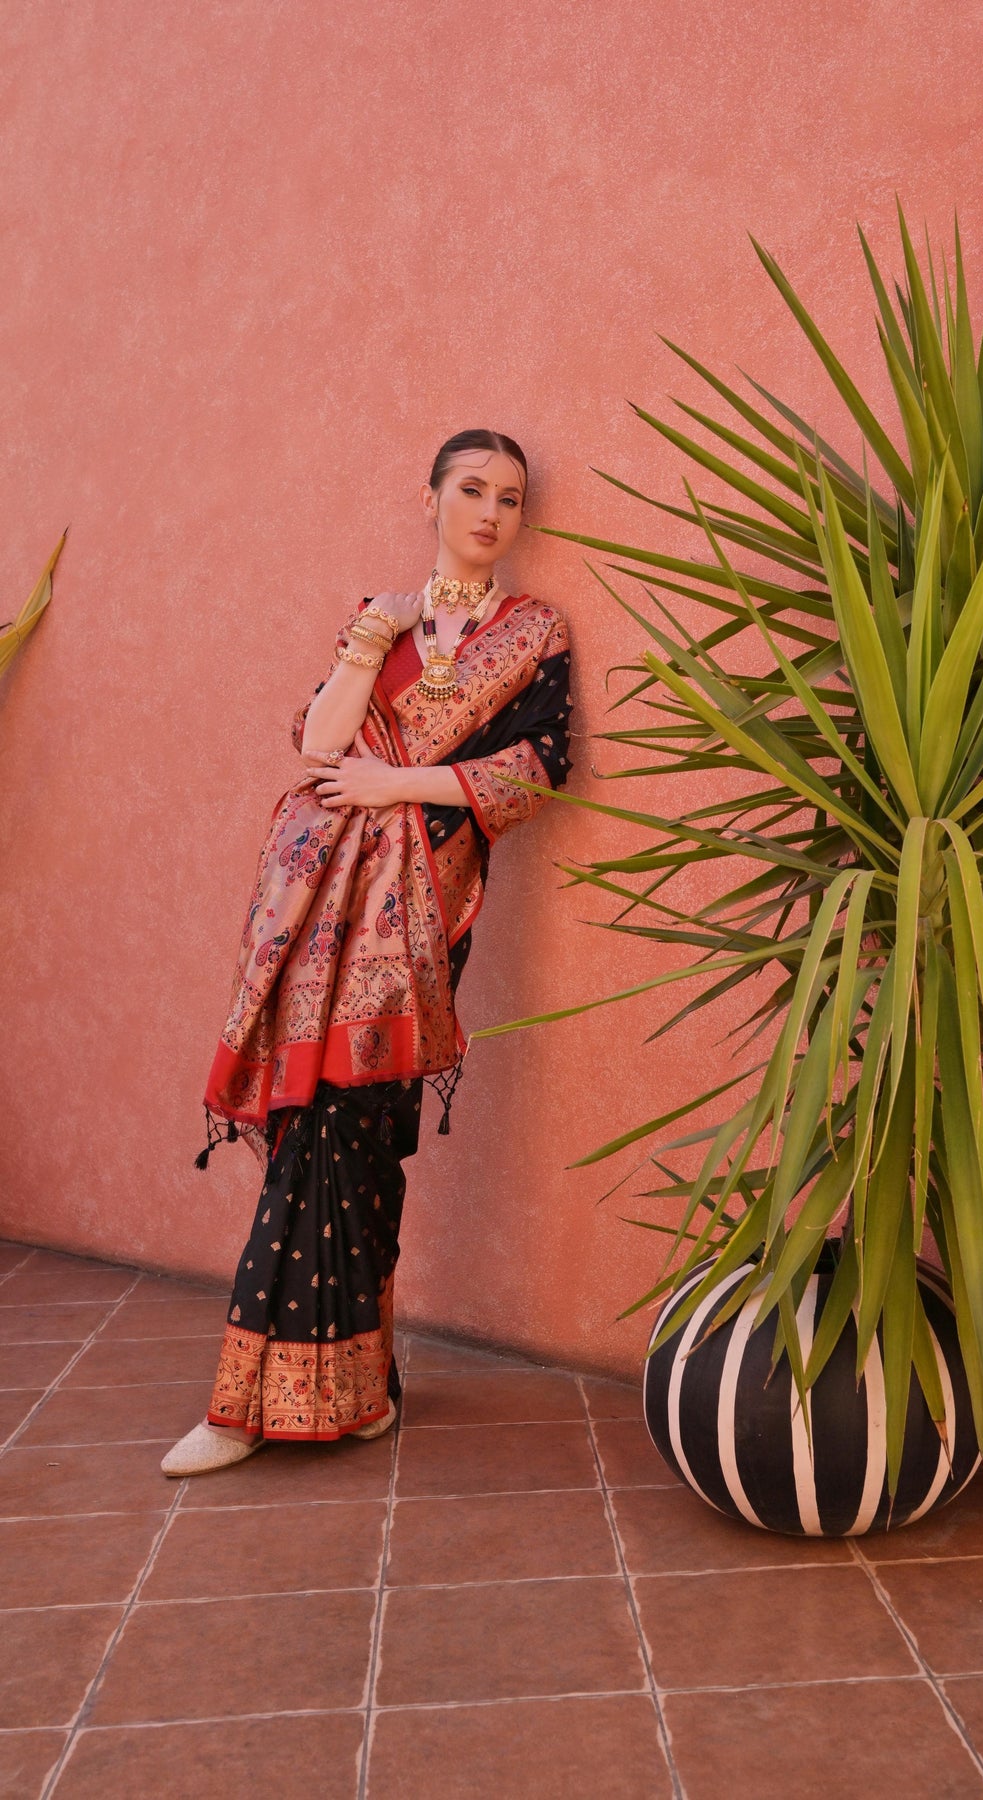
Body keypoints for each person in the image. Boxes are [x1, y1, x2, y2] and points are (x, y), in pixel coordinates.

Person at [162, 429, 572, 1476]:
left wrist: (394, 786)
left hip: (429, 914)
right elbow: (318, 744)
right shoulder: (378, 620)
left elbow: (532, 774)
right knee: (316, 1125)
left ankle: (304, 1400)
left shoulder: (534, 633)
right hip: (323, 913)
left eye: (510, 498)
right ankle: (301, 1398)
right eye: (471, 489)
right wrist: (368, 638)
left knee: (363, 1129)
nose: (489, 511)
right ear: (429, 496)